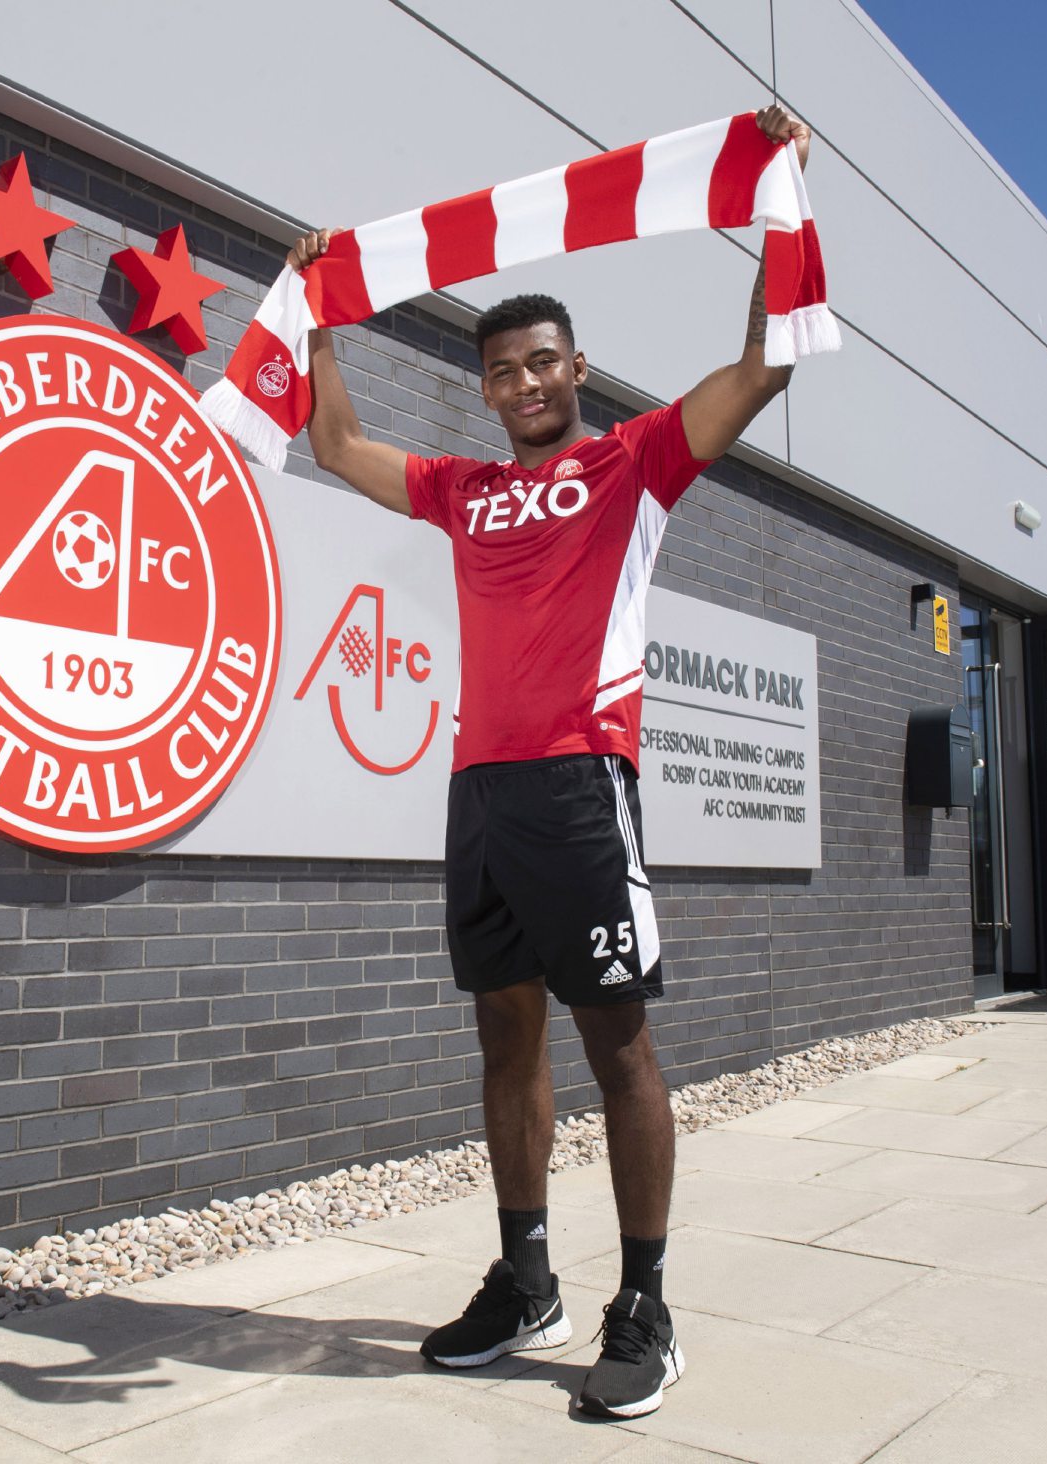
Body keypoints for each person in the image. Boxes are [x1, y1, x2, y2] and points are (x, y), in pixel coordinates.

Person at [288, 104, 812, 1420]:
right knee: (504, 1044)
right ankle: (527, 1281)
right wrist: (318, 317)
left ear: (577, 366)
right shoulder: (466, 488)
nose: (524, 384)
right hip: (481, 796)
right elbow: (338, 447)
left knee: (619, 1050)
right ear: (486, 387)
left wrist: (779, 199)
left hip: (584, 788)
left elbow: (767, 367)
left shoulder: (634, 464)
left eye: (542, 363)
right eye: (504, 371)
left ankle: (646, 1304)